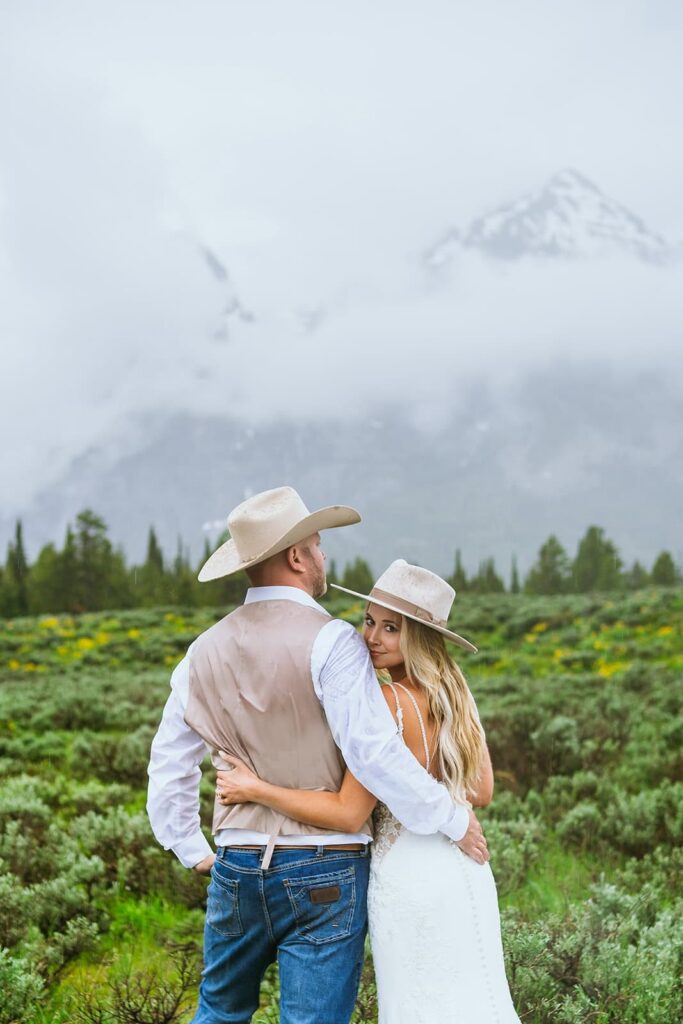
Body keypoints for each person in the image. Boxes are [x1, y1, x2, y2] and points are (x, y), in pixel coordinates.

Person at [147, 487, 487, 1024]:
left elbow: (169, 763)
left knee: (218, 1012)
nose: (323, 555)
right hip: (324, 869)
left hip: (236, 862)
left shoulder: (199, 653)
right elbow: (373, 754)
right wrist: (451, 818)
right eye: (319, 544)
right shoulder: (333, 642)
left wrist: (192, 847)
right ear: (298, 557)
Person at [216, 558, 520, 1023]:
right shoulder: (457, 693)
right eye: (369, 621)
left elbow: (345, 813)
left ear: (418, 636)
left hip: (408, 875)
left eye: (391, 629)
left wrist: (258, 788)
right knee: (472, 1001)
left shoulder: (384, 702)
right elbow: (480, 791)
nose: (372, 638)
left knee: (415, 1005)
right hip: (463, 871)